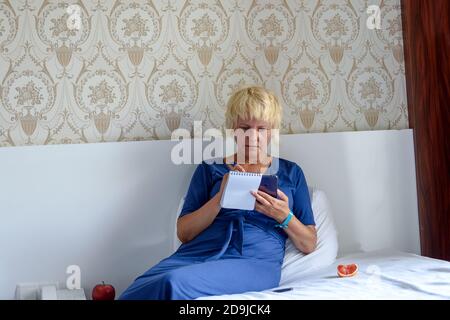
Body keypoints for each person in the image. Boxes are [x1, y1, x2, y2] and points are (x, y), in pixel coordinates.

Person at [119, 86, 317, 300]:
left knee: (172, 283)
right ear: (233, 128)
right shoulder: (210, 168)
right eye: (244, 127)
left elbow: (308, 243)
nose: (252, 136)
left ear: (271, 132)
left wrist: (284, 215)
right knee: (137, 289)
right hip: (196, 254)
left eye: (261, 128)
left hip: (253, 260)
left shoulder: (291, 173)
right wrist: (221, 198)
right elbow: (184, 233)